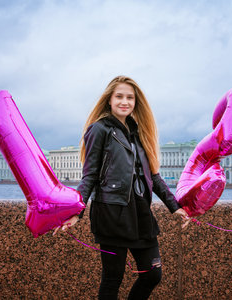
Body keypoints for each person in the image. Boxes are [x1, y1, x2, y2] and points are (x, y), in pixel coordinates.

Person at [54, 75, 190, 299]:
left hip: (141, 214)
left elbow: (153, 177)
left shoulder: (139, 133)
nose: (124, 102)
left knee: (153, 274)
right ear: (109, 99)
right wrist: (76, 212)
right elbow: (89, 176)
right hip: (111, 213)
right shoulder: (99, 129)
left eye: (130, 97)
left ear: (136, 102)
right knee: (112, 279)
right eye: (119, 96)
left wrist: (174, 206)